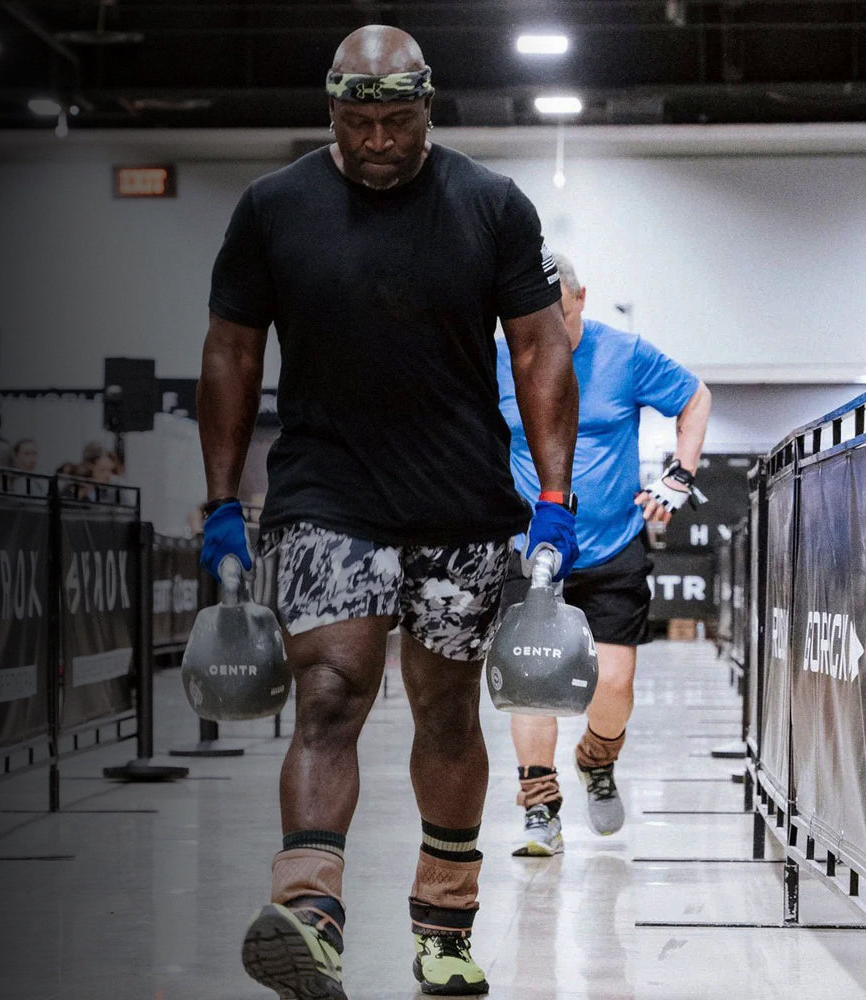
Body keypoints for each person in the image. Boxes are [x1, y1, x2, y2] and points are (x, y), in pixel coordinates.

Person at [195, 24, 580, 1000]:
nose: (377, 141)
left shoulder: (490, 204)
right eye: (357, 122)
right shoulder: (272, 208)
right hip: (326, 493)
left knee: (447, 710)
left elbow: (540, 347)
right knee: (329, 691)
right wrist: (221, 500)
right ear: (331, 110)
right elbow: (232, 351)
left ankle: (444, 927)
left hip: (460, 502)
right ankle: (309, 913)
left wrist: (553, 496)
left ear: (427, 107)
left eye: (397, 122)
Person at [497, 253, 711, 858]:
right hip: (531, 550)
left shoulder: (625, 354)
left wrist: (680, 472)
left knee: (614, 685)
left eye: (562, 317)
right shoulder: (500, 359)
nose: (551, 332)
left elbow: (695, 397)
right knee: (531, 684)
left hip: (613, 544)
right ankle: (540, 806)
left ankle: (596, 757)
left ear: (582, 298)